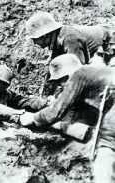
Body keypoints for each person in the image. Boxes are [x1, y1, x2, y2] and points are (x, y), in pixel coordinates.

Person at [19, 52, 115, 183]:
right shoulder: (93, 73)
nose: (61, 86)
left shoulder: (79, 75)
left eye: (60, 82)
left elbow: (56, 113)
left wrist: (33, 118)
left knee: (105, 158)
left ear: (66, 75)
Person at [25, 11, 111, 65]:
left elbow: (78, 69)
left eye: (35, 39)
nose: (35, 43)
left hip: (110, 40)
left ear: (45, 36)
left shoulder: (70, 39)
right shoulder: (57, 38)